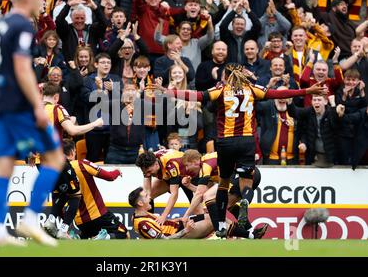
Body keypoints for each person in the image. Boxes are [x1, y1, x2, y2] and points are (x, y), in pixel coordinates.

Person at [155, 63, 327, 237]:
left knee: (223, 183)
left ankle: (221, 223)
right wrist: (307, 91)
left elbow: (197, 96)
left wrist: (167, 91)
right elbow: (279, 93)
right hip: (247, 141)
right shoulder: (252, 89)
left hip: (226, 142)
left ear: (227, 76)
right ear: (242, 74)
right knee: (246, 183)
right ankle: (245, 201)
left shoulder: (221, 89)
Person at [0, 0, 65, 248]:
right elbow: (22, 68)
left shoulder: (1, 25)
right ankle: (31, 217)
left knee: (4, 167)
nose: (43, 2)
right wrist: (37, 105)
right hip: (18, 105)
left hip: (0, 103)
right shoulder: (21, 24)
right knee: (55, 157)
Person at [45, 139, 127, 239]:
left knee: (88, 239)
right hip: (98, 214)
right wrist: (117, 172)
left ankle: (79, 237)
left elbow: (57, 204)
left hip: (80, 221)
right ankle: (104, 238)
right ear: (72, 152)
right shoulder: (82, 164)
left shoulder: (56, 170)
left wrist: (64, 223)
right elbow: (109, 176)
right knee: (123, 233)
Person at [180, 149, 268, 237]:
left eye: (187, 165)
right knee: (226, 205)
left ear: (195, 161)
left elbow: (201, 194)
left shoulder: (205, 165)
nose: (187, 169)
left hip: (240, 175)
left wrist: (186, 215)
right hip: (253, 173)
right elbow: (205, 192)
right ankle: (252, 233)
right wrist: (189, 185)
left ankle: (219, 229)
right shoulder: (208, 164)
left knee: (215, 207)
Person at [128, 186, 264, 239]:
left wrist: (181, 219)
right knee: (213, 220)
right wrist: (185, 230)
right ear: (140, 203)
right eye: (146, 196)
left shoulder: (143, 214)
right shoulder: (143, 223)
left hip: (180, 225)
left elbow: (164, 225)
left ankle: (250, 234)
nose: (150, 197)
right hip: (181, 234)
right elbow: (163, 241)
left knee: (213, 215)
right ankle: (251, 235)